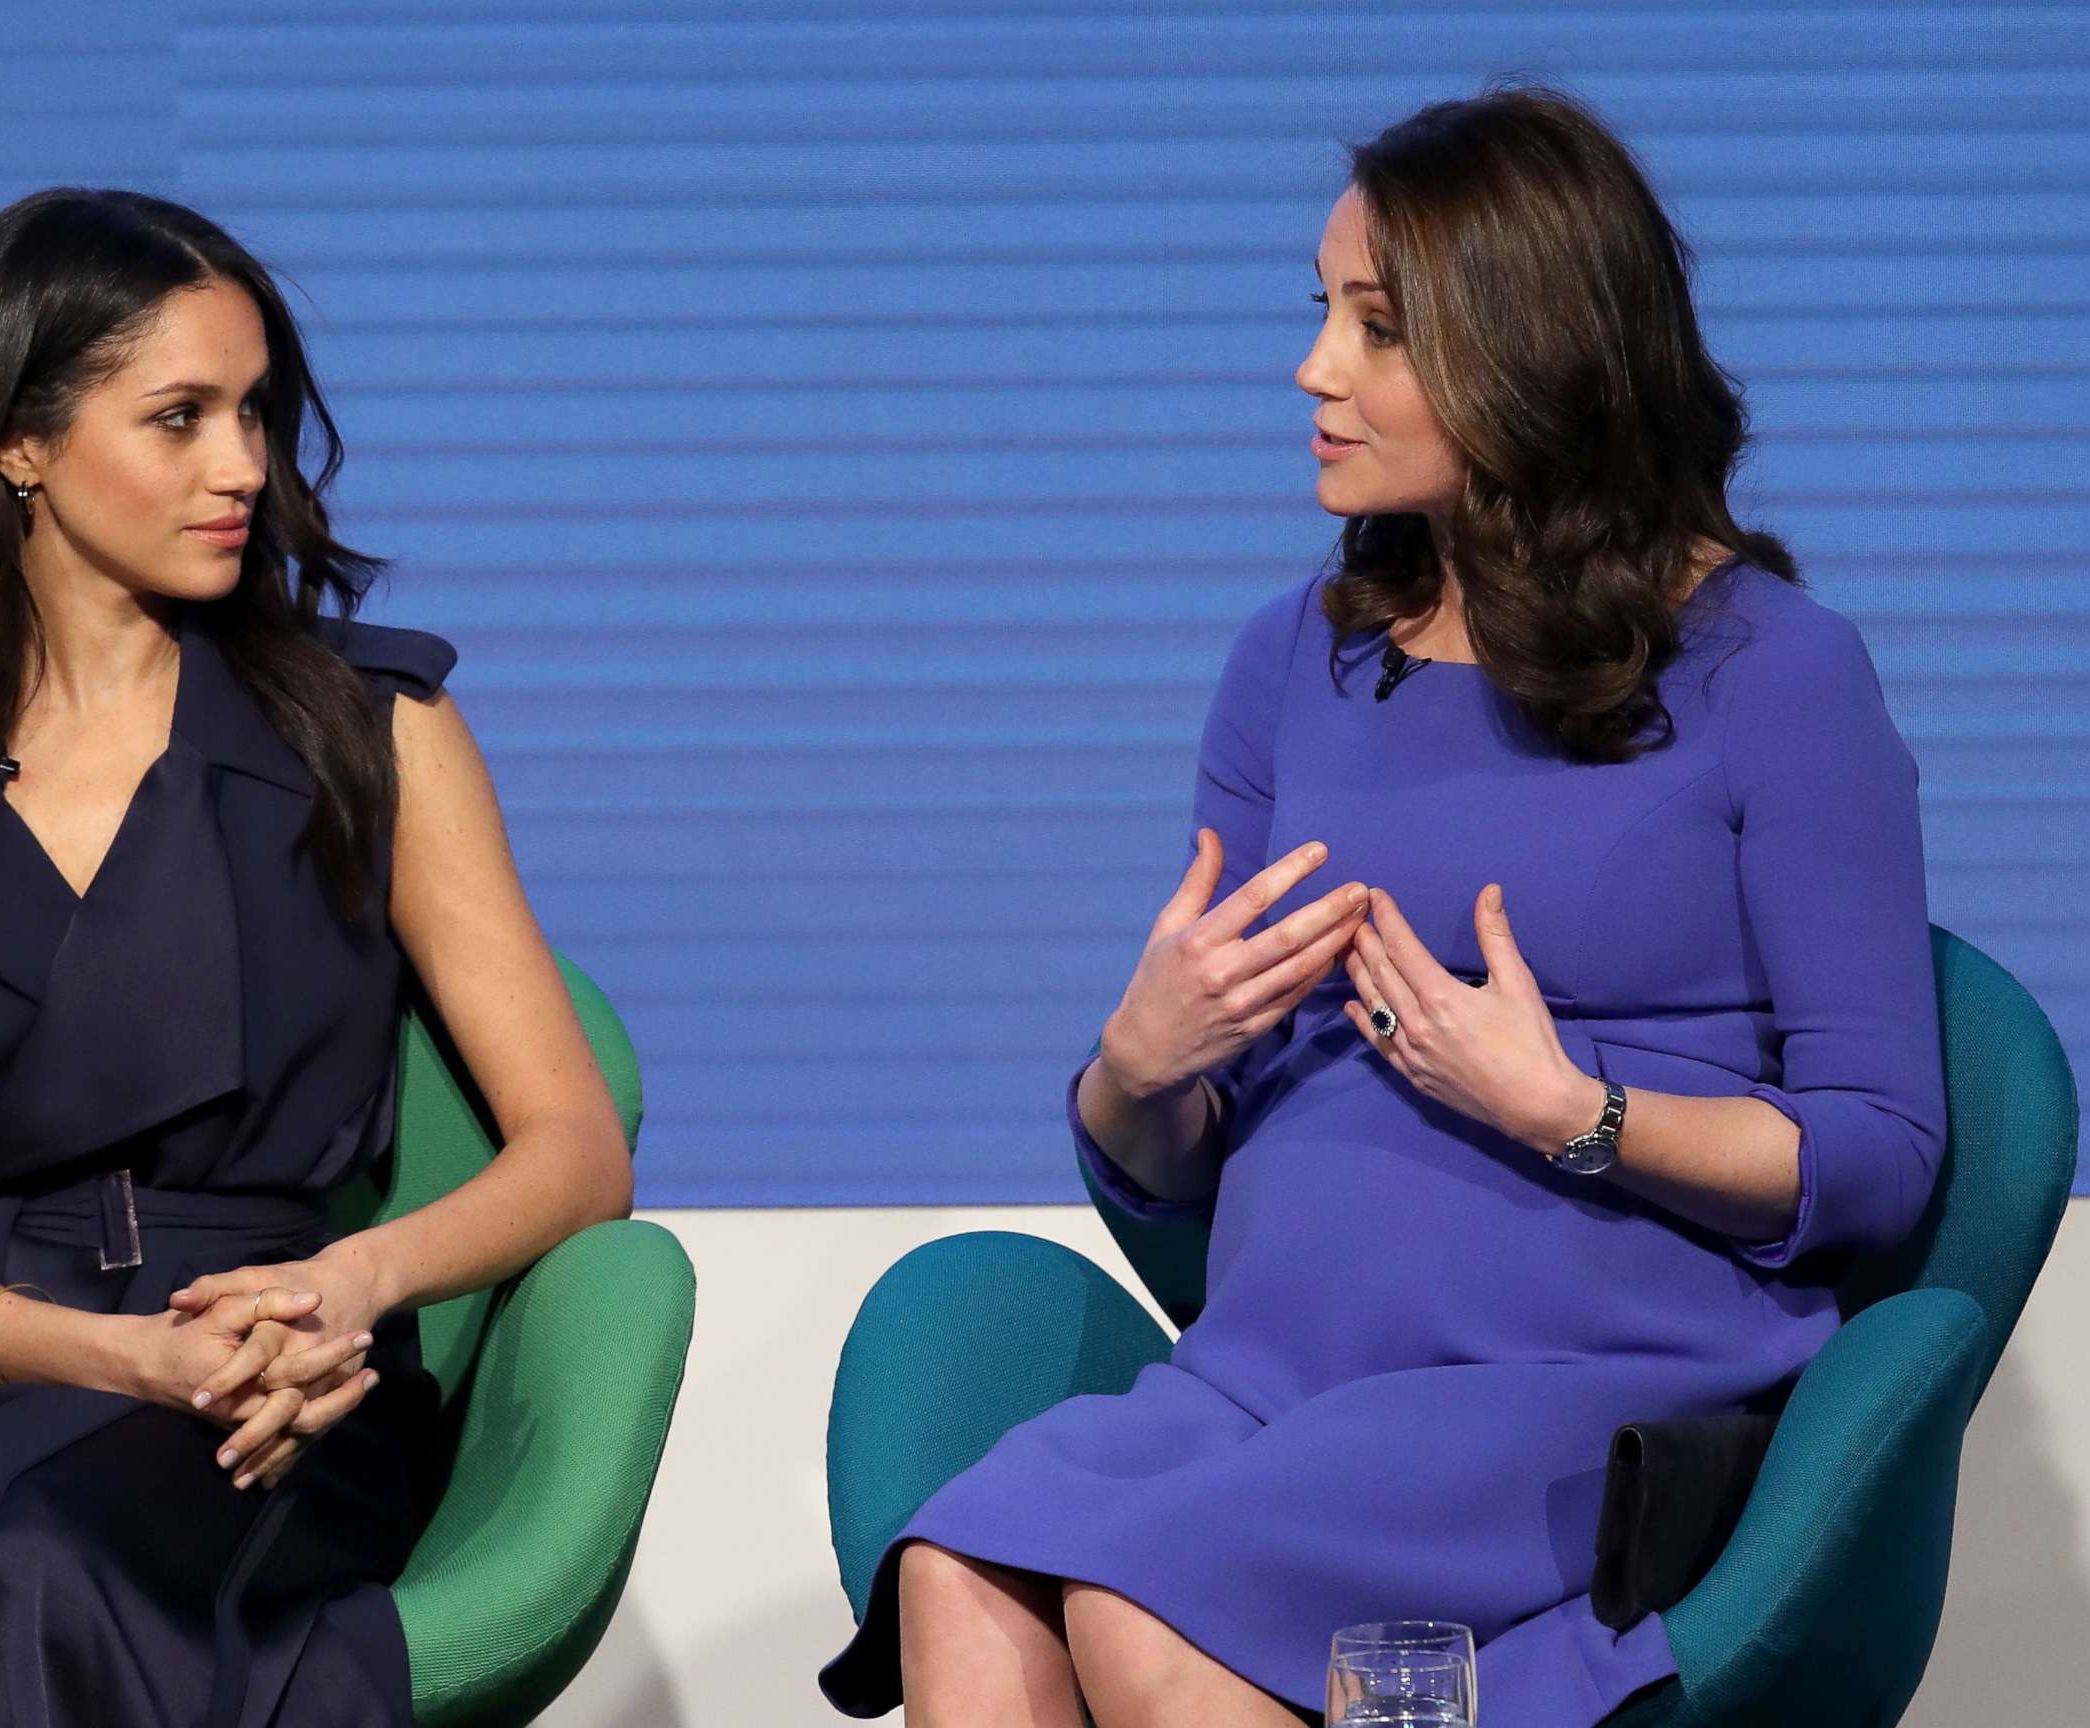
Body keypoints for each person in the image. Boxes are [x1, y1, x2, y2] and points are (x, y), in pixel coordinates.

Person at [818, 82, 1947, 1728]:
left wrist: (1572, 1110)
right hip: (1274, 1373)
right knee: (958, 1570)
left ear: (1530, 350)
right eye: (1321, 313)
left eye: (1376, 329)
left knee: (1156, 1612)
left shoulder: (1773, 673)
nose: (1314, 372)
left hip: (1572, 1394)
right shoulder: (1298, 659)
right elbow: (1171, 1161)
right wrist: (1139, 1065)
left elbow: (1881, 1151)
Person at [0, 187, 634, 1727]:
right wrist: (110, 1362)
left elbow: (578, 1150)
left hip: (266, 1375)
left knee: (49, 1554)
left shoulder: (379, 728)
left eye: (256, 414)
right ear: (19, 441)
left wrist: (347, 1288)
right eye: (179, 418)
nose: (242, 466)